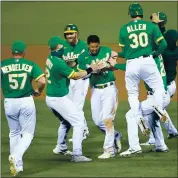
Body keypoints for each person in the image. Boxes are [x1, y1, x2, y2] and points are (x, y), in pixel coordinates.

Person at [117, 3, 168, 156]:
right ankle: (158, 107)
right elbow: (163, 44)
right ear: (142, 13)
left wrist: (116, 57)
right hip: (147, 61)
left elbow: (125, 52)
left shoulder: (123, 29)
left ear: (130, 14)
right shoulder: (150, 26)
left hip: (131, 63)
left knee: (133, 95)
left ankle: (138, 118)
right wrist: (153, 54)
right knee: (159, 88)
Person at [45, 36, 98, 162]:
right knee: (79, 121)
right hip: (58, 99)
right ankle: (77, 154)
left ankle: (61, 147)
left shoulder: (51, 58)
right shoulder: (58, 63)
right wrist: (91, 69)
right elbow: (75, 76)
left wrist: (72, 63)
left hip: (51, 97)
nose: (63, 47)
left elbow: (67, 64)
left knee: (66, 121)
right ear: (57, 49)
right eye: (61, 47)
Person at [1, 41, 46, 176]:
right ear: (24, 52)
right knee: (28, 134)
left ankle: (18, 166)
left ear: (12, 52)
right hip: (26, 101)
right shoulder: (30, 64)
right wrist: (38, 91)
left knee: (14, 132)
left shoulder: (3, 65)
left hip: (9, 102)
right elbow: (43, 81)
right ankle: (16, 155)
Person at [77, 35, 122, 159]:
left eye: (96, 46)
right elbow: (81, 75)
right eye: (92, 47)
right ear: (88, 45)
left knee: (107, 119)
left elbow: (114, 64)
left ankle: (109, 150)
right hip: (95, 90)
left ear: (99, 44)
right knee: (97, 120)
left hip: (109, 89)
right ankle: (116, 135)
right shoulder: (82, 57)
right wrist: (91, 70)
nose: (94, 49)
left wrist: (106, 65)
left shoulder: (107, 51)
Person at [53, 24, 89, 153]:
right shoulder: (62, 46)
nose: (69, 36)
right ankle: (80, 130)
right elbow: (64, 63)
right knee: (69, 109)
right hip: (68, 80)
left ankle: (82, 131)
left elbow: (78, 64)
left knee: (77, 106)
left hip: (81, 80)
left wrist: (72, 64)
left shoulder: (84, 46)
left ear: (77, 34)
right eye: (67, 34)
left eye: (72, 33)